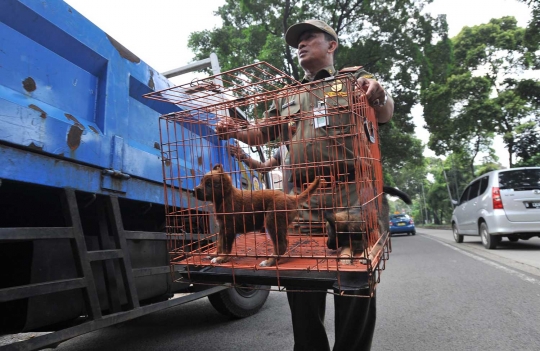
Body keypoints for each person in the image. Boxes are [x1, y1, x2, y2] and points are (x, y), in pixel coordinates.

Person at [217, 19, 394, 351]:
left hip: (349, 196)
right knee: (300, 279)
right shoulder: (287, 95)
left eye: (309, 37)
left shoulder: (355, 81)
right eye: (297, 41)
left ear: (331, 45)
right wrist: (235, 130)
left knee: (352, 280)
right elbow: (261, 133)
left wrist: (379, 94)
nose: (300, 44)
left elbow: (384, 112)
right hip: (301, 199)